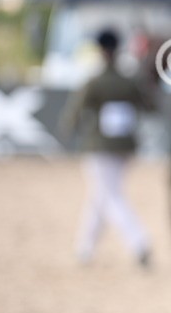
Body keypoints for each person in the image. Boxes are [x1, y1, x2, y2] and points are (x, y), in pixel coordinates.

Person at [59, 28, 153, 267]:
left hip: (99, 145)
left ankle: (139, 242)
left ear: (100, 51)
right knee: (100, 196)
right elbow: (150, 106)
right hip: (125, 146)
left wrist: (66, 132)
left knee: (109, 196)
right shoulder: (129, 81)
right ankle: (85, 249)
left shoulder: (94, 81)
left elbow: (75, 112)